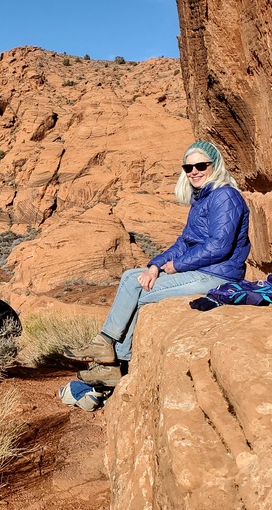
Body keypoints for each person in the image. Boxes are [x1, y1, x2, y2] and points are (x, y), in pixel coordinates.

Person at [64, 140, 251, 386]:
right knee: (132, 276)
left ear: (214, 165)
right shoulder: (203, 200)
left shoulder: (225, 196)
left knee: (141, 292)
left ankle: (112, 360)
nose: (194, 171)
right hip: (202, 270)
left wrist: (177, 266)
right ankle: (105, 346)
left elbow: (220, 246)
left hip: (218, 275)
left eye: (200, 165)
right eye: (188, 167)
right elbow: (184, 242)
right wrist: (155, 265)